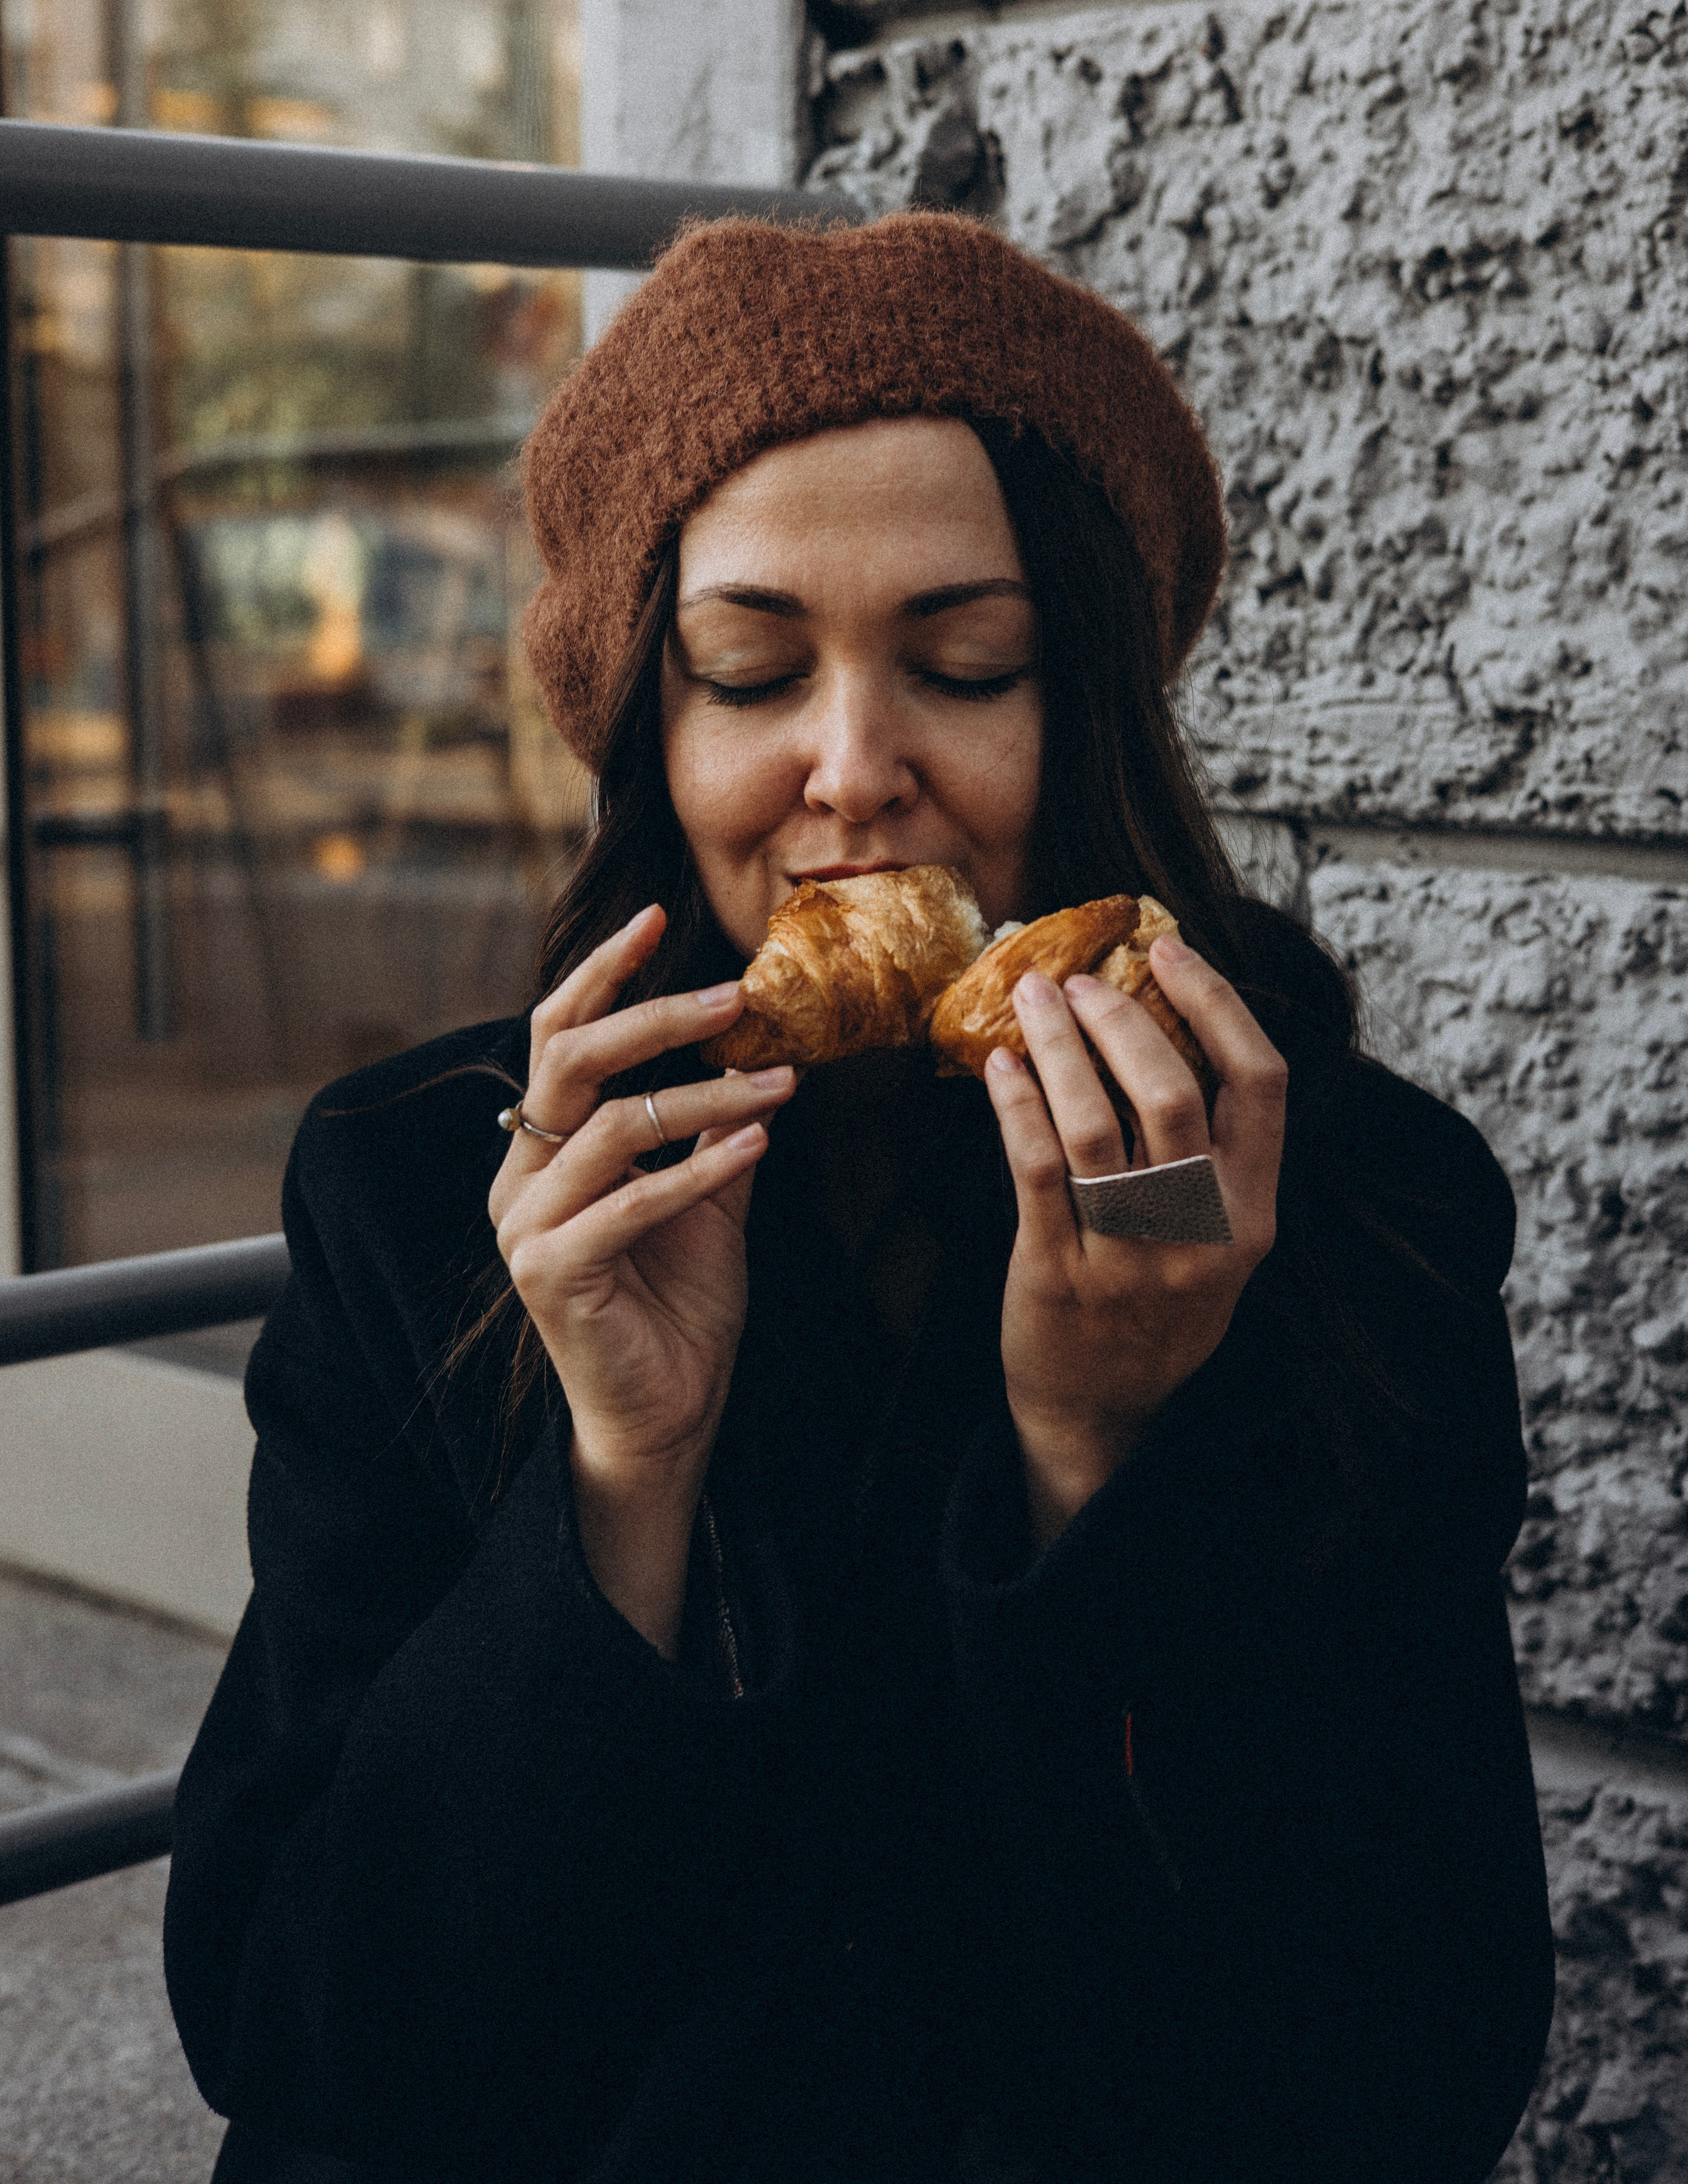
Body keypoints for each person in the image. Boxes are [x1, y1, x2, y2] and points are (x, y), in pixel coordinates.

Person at [165, 212, 1554, 2184]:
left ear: (1085, 700)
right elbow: (302, 2041)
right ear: (652, 721)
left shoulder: (1341, 1200)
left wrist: (1107, 1451)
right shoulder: (427, 1194)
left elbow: (1391, 2076)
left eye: (964, 662)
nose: (852, 770)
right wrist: (618, 1481)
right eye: (749, 671)